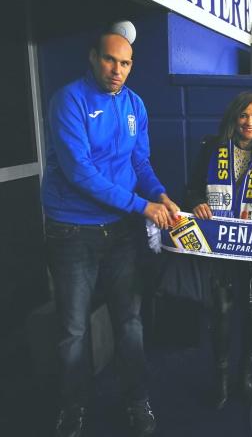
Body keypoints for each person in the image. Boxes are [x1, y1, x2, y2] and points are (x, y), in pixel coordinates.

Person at [42, 22, 179, 437]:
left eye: (124, 63)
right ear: (93, 57)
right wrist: (143, 206)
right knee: (73, 330)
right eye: (109, 59)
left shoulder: (135, 104)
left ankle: (136, 402)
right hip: (72, 232)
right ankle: (73, 409)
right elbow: (79, 173)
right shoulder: (69, 100)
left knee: (130, 322)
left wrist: (162, 195)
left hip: (119, 231)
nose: (116, 69)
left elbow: (140, 164)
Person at [183, 92, 252, 409]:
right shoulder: (212, 147)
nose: (249, 122)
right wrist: (196, 202)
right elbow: (192, 188)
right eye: (244, 115)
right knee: (222, 313)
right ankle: (222, 378)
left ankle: (246, 373)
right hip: (221, 245)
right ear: (234, 117)